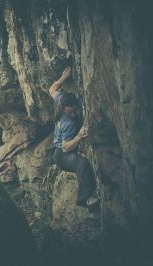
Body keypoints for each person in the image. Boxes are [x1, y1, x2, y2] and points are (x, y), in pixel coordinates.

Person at [49, 66, 99, 208]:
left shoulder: (61, 100)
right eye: (69, 113)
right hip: (62, 156)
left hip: (58, 151)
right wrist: (79, 136)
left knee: (81, 161)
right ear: (64, 110)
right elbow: (65, 148)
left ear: (75, 104)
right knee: (82, 164)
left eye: (73, 111)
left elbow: (52, 89)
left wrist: (64, 78)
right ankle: (86, 199)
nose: (72, 115)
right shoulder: (69, 123)